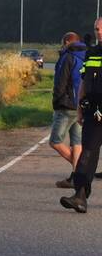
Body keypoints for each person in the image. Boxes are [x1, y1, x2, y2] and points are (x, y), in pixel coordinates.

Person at [62, 18, 102, 212]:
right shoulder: (91, 53)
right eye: (96, 29)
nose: (99, 32)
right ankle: (80, 196)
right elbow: (84, 83)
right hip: (94, 111)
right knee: (87, 153)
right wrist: (79, 109)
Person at [51, 32, 86, 188]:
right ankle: (76, 178)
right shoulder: (86, 55)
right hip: (81, 105)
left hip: (66, 106)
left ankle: (81, 172)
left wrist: (56, 102)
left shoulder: (67, 57)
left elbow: (61, 82)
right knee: (77, 142)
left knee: (55, 141)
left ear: (66, 42)